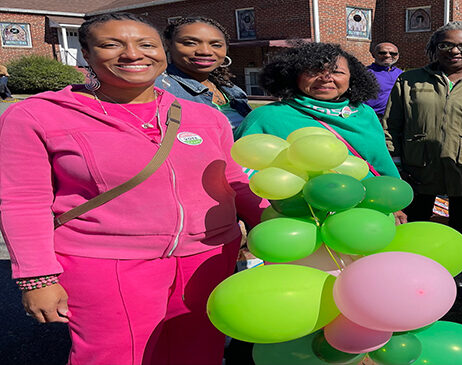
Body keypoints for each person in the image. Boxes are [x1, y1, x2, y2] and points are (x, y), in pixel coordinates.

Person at [0, 13, 264, 365]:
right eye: (111, 44)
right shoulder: (37, 116)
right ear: (86, 54)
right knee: (117, 356)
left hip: (208, 258)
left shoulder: (205, 116)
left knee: (201, 352)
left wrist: (276, 219)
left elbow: (232, 182)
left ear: (162, 52)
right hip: (106, 263)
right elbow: (22, 201)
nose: (132, 54)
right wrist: (36, 277)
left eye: (146, 45)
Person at [382, 21, 462, 301]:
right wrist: (397, 167)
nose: (455, 51)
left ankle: (455, 275)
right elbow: (392, 124)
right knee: (414, 222)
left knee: (461, 223)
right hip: (418, 169)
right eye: (446, 45)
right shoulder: (410, 80)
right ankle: (411, 274)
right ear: (434, 47)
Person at [234, 42, 406, 222]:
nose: (325, 78)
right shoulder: (267, 117)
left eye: (337, 72)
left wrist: (394, 204)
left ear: (352, 78)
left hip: (370, 213)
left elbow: (381, 162)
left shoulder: (364, 113)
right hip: (302, 219)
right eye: (313, 71)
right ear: (294, 75)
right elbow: (241, 174)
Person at [156, 16, 251, 130]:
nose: (205, 51)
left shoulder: (232, 90)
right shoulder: (158, 89)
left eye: (216, 45)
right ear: (168, 45)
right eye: (190, 43)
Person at [364, 42, 403, 118]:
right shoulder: (364, 73)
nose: (388, 55)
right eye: (382, 53)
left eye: (393, 53)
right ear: (373, 54)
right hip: (373, 117)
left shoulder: (401, 74)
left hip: (396, 118)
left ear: (398, 56)